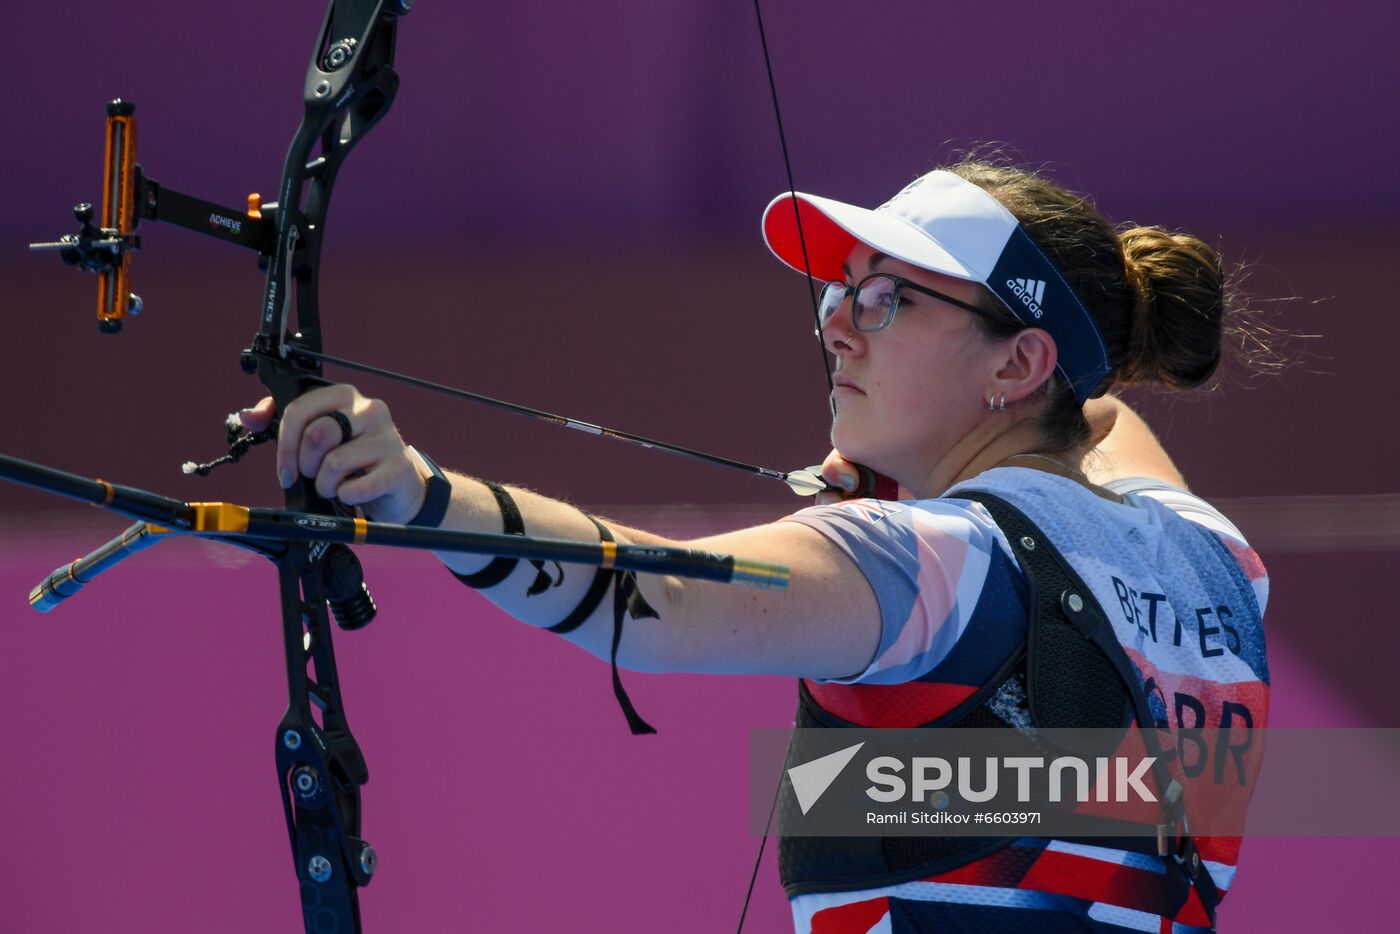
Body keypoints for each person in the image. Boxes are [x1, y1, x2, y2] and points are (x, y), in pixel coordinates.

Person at [240, 160, 1270, 932]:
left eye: (888, 298)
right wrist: (943, 455)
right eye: (842, 292)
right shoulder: (1209, 555)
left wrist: (418, 497)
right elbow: (1092, 424)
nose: (837, 327)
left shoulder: (935, 563)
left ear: (1018, 362)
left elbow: (659, 607)